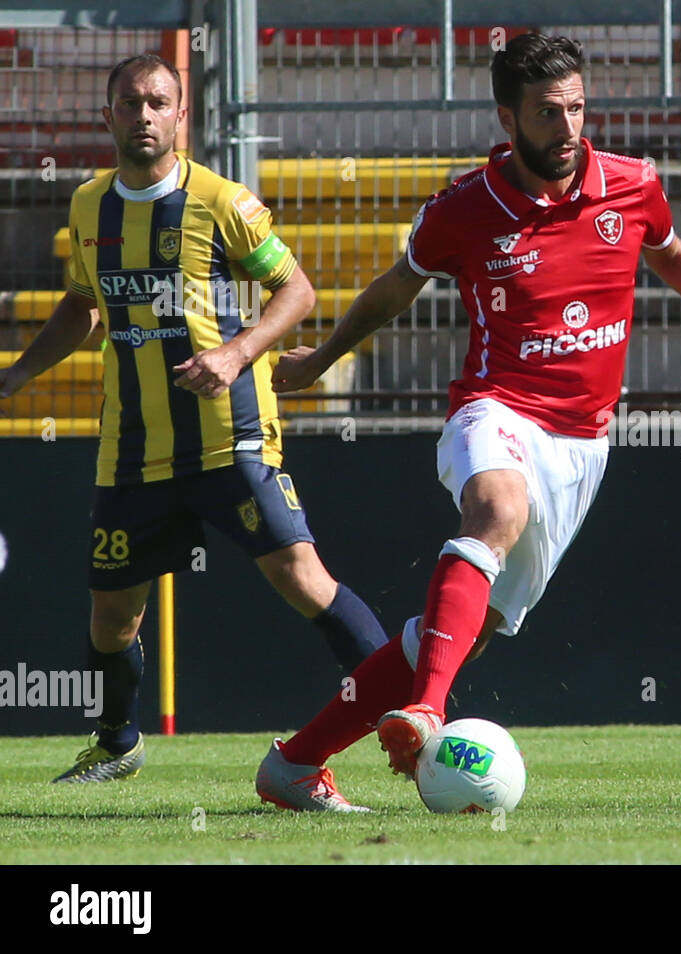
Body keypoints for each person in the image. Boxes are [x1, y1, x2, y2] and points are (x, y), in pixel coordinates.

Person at [255, 33, 681, 811]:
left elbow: (671, 251)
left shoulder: (631, 185)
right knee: (496, 510)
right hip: (497, 406)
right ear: (507, 117)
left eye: (578, 108)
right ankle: (427, 712)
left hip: (582, 445)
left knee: (451, 635)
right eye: (549, 113)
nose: (569, 127)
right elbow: (392, 289)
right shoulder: (465, 207)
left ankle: (295, 764)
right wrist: (319, 360)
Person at [0, 54, 389, 786]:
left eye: (157, 102)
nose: (143, 115)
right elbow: (84, 307)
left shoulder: (222, 201)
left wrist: (237, 354)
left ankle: (412, 710)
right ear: (107, 115)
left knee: (301, 576)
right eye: (129, 102)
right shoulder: (88, 207)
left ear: (181, 116)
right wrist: (20, 371)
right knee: (112, 618)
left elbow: (297, 291)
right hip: (133, 448)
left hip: (228, 435)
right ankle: (117, 745)